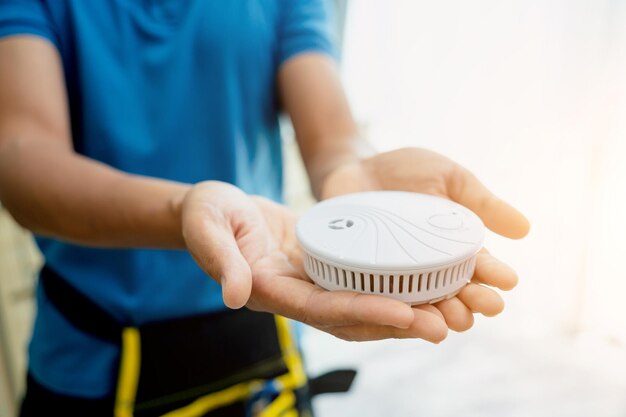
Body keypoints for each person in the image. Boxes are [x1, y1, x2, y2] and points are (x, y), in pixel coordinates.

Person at [0, 1, 530, 416]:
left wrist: (360, 180)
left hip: (264, 325)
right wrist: (183, 207)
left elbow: (333, 140)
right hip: (93, 359)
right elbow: (23, 160)